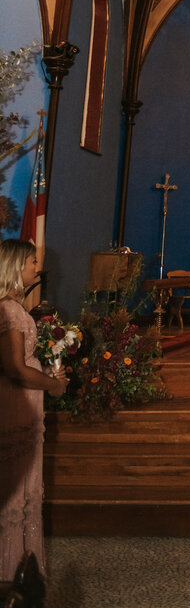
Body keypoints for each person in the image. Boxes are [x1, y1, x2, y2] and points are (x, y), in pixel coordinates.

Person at [0, 238, 67, 581]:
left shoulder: (15, 307)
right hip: (15, 403)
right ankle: (11, 576)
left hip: (24, 402)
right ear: (14, 267)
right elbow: (14, 367)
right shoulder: (9, 310)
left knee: (25, 488)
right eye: (30, 262)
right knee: (16, 489)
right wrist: (53, 384)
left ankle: (22, 573)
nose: (35, 267)